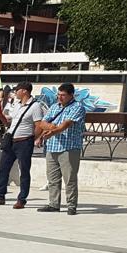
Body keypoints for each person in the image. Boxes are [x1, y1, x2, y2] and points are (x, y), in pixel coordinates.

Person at [0, 81, 44, 210]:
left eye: (17, 90)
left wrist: (32, 138)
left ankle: (21, 199)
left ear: (24, 91)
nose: (15, 92)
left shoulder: (35, 106)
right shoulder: (16, 104)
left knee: (24, 171)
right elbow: (11, 119)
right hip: (11, 140)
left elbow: (39, 125)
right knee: (3, 169)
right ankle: (0, 196)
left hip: (24, 141)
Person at [37, 83, 86, 215]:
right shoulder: (54, 107)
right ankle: (54, 204)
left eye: (63, 95)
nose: (60, 97)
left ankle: (71, 205)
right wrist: (51, 128)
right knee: (52, 178)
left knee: (69, 178)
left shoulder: (78, 107)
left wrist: (53, 130)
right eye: (58, 94)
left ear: (71, 95)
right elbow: (42, 122)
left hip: (69, 147)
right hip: (52, 147)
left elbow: (67, 124)